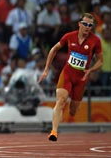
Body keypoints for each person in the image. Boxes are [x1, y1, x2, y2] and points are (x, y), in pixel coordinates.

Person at [38, 13, 103, 141]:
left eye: (90, 25)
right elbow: (53, 49)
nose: (87, 27)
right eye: (85, 24)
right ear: (79, 24)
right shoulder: (69, 36)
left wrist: (90, 70)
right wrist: (46, 69)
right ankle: (54, 132)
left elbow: (100, 61)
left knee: (73, 111)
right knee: (61, 101)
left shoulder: (95, 41)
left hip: (81, 79)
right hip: (67, 74)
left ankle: (69, 109)